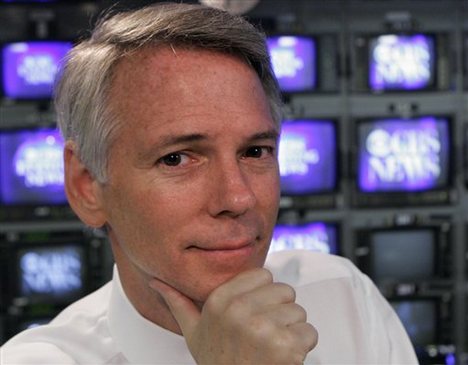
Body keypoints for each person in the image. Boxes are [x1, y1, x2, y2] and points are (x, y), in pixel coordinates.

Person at [1, 2, 418, 364]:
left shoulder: (343, 297)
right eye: (177, 158)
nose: (237, 197)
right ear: (86, 185)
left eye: (255, 152)